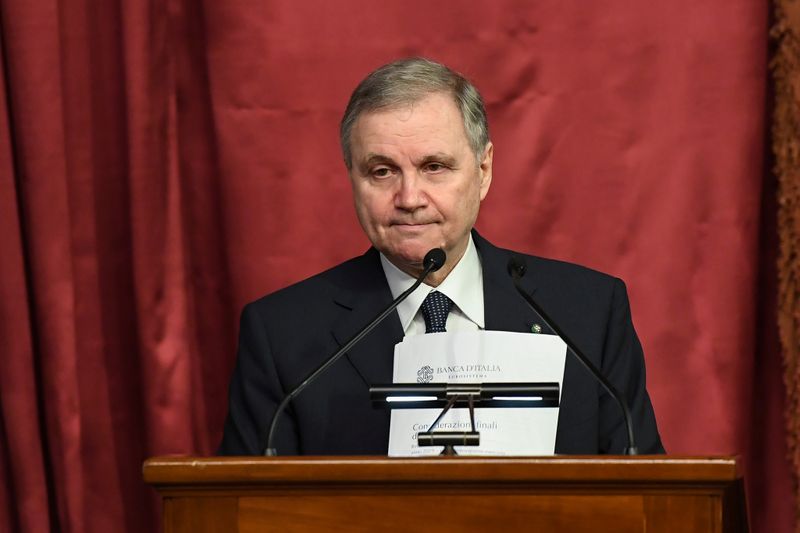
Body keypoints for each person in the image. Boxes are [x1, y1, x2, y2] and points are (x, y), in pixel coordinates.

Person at [218, 57, 663, 456]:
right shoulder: (283, 336)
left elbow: (649, 499)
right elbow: (243, 510)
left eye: (434, 167)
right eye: (382, 171)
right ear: (352, 178)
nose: (409, 197)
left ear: (483, 171)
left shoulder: (588, 313)